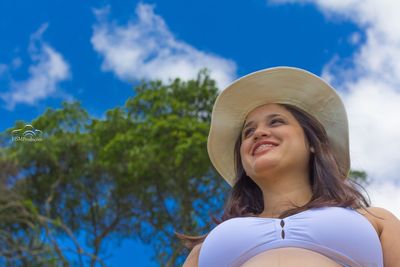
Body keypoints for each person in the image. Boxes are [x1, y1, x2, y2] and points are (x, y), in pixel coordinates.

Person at [179, 67, 400, 267]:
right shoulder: (208, 245)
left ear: (313, 143)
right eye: (248, 132)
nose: (258, 133)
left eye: (276, 122)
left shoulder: (375, 221)